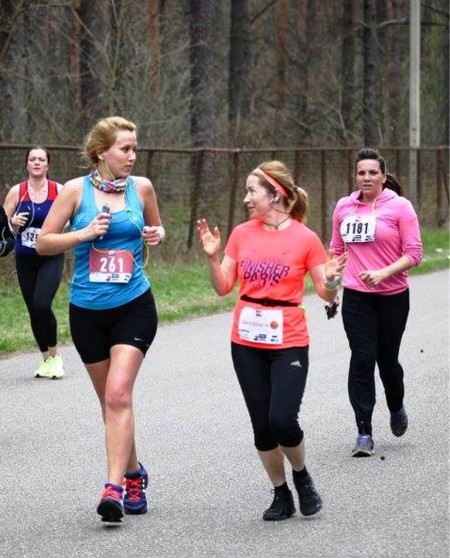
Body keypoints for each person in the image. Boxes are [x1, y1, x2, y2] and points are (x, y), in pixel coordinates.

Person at [197, 160, 347, 521]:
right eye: (247, 192)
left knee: (283, 420)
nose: (246, 198)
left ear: (275, 194)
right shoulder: (241, 234)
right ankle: (281, 493)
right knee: (262, 426)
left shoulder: (305, 239)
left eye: (252, 191)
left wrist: (331, 280)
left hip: (289, 339)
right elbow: (223, 287)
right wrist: (213, 258)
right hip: (246, 340)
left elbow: (326, 294)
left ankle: (302, 476)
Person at [37, 116, 165, 524]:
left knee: (118, 395)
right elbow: (43, 242)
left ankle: (113, 489)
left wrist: (156, 235)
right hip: (87, 312)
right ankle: (134, 472)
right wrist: (83, 233)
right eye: (125, 149)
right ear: (101, 152)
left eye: (134, 148)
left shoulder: (141, 188)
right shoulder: (75, 191)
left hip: (133, 306)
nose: (132, 156)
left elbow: (156, 227)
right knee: (111, 402)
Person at [329, 148, 423, 458]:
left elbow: (414, 254)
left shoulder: (400, 207)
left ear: (383, 176)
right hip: (357, 297)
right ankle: (364, 432)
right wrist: (331, 285)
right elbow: (336, 250)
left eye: (372, 172)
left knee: (387, 361)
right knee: (362, 358)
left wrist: (383, 272)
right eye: (361, 172)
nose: (366, 177)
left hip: (393, 297)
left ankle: (396, 405)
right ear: (355, 176)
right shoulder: (344, 207)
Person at [3, 146, 65, 378]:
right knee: (32, 310)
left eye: (41, 159)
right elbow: (2, 224)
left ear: (48, 164)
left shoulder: (59, 190)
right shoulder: (17, 191)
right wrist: (12, 222)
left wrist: (64, 226)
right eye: (32, 159)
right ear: (26, 164)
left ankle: (56, 356)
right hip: (25, 259)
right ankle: (46, 358)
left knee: (41, 304)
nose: (37, 162)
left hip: (50, 256)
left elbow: (73, 216)